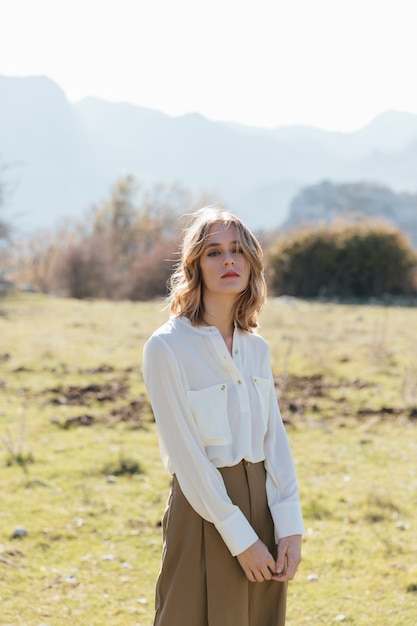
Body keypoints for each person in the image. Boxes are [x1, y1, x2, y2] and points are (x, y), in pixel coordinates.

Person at [142, 205, 304, 626]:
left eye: (237, 250)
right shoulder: (167, 348)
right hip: (205, 512)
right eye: (214, 252)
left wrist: (290, 525)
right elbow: (188, 458)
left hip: (264, 508)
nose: (228, 260)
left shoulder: (257, 349)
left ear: (252, 262)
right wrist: (240, 538)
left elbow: (275, 442)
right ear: (195, 266)